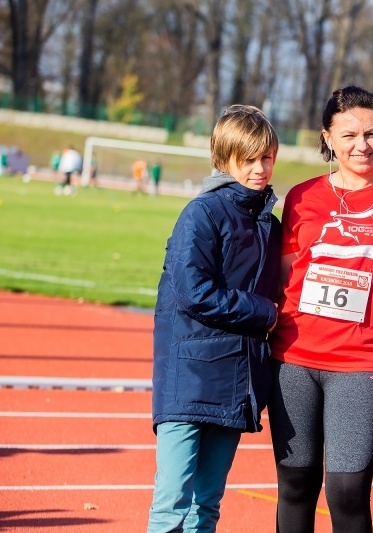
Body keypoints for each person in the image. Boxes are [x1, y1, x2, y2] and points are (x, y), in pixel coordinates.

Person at [268, 85, 373, 533]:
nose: (361, 145)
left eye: (372, 133)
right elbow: (285, 279)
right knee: (295, 483)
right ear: (327, 137)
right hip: (293, 360)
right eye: (348, 135)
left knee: (346, 490)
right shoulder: (302, 198)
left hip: (361, 363)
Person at [147, 105, 281, 532]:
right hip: (190, 376)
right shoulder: (201, 213)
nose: (260, 168)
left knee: (207, 505)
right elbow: (193, 293)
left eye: (267, 157)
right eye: (249, 159)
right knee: (171, 504)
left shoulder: (269, 224)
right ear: (225, 159)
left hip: (237, 382)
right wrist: (265, 313)